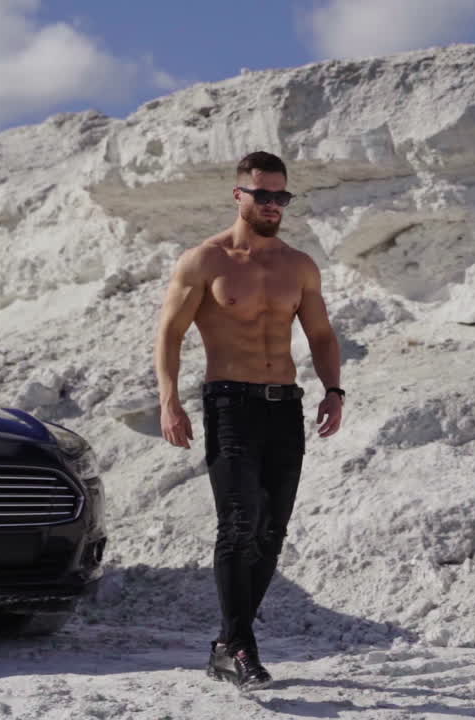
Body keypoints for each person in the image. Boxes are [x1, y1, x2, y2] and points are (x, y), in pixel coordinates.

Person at [153, 151, 345, 690]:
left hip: (283, 403)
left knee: (271, 530)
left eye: (281, 197)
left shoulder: (298, 264)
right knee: (239, 523)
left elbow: (322, 336)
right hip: (229, 402)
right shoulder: (205, 261)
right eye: (263, 195)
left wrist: (334, 390)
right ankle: (240, 645)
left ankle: (225, 643)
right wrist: (169, 399)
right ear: (239, 195)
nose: (273, 205)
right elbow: (170, 333)